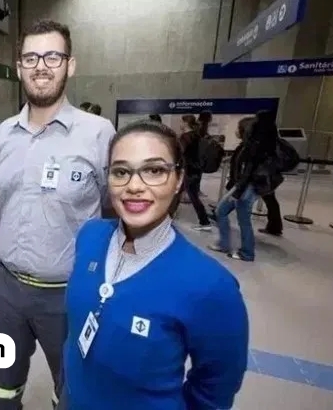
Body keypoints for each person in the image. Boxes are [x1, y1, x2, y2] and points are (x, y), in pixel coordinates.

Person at [60, 120, 249, 410]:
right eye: (121, 172)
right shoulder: (90, 236)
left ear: (178, 180)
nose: (135, 186)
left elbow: (215, 388)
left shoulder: (211, 286)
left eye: (154, 170)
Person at [0, 19, 116, 410]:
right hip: (6, 286)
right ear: (19, 67)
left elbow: (117, 213)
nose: (41, 65)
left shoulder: (98, 133)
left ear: (69, 65)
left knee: (72, 389)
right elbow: (1, 201)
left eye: (52, 56)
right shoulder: (5, 133)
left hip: (67, 294)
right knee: (3, 384)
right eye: (31, 57)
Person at [210, 117, 261, 261]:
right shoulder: (246, 146)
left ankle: (247, 253)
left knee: (243, 220)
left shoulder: (251, 148)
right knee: (221, 211)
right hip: (241, 187)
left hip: (244, 189)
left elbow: (247, 173)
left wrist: (237, 193)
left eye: (239, 128)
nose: (236, 130)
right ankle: (224, 244)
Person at [254, 111, 283, 237]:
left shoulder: (263, 138)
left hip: (263, 174)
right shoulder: (273, 136)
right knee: (271, 200)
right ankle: (275, 226)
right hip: (270, 173)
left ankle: (274, 226)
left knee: (269, 199)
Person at [180, 114, 212, 231]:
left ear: (185, 123)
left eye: (182, 122)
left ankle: (204, 221)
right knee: (178, 192)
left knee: (193, 197)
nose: (180, 124)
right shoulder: (197, 135)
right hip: (196, 169)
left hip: (188, 170)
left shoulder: (185, 137)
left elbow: (180, 152)